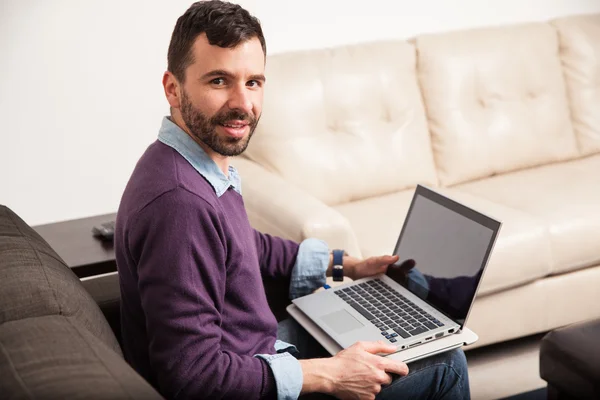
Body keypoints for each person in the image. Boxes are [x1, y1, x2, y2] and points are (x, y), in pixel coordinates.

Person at [114, 1, 471, 399]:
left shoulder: (196, 166)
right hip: (245, 379)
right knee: (445, 363)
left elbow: (248, 247)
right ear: (173, 88)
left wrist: (348, 266)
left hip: (256, 352)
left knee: (413, 289)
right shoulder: (180, 204)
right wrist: (330, 375)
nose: (242, 104)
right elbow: (192, 377)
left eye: (253, 82)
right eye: (219, 81)